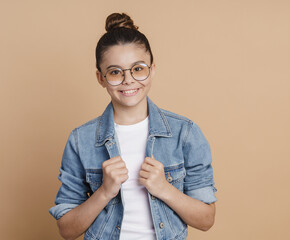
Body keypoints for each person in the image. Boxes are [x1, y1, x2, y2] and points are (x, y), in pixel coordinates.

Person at [49, 12, 218, 240]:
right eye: (115, 72)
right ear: (101, 78)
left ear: (152, 69)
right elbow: (67, 229)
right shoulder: (81, 140)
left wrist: (164, 189)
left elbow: (206, 220)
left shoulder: (185, 133)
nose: (128, 80)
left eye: (138, 68)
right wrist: (104, 192)